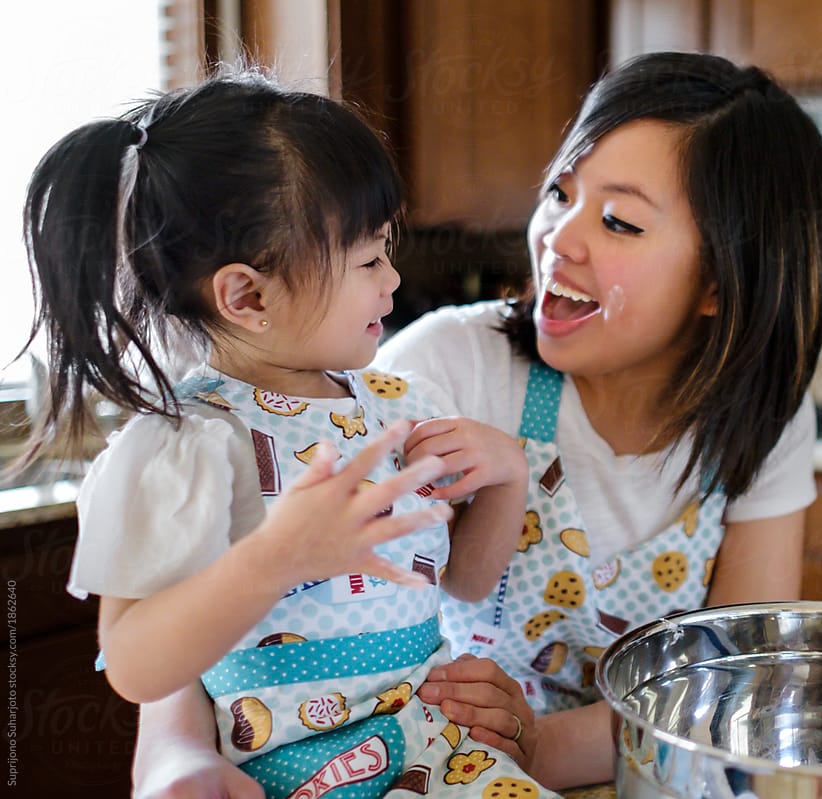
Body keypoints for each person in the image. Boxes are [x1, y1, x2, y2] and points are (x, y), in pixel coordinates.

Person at [132, 50, 822, 795]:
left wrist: (544, 745)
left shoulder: (766, 417)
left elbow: (739, 679)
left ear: (722, 283)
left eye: (620, 221)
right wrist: (174, 752)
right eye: (561, 192)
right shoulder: (447, 365)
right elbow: (214, 573)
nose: (559, 237)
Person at [24, 68, 555, 799]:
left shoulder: (404, 402)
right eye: (369, 259)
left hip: (439, 754)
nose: (393, 281)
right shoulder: (188, 442)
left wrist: (507, 476)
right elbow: (135, 664)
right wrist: (275, 558)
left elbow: (465, 582)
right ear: (248, 294)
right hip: (296, 773)